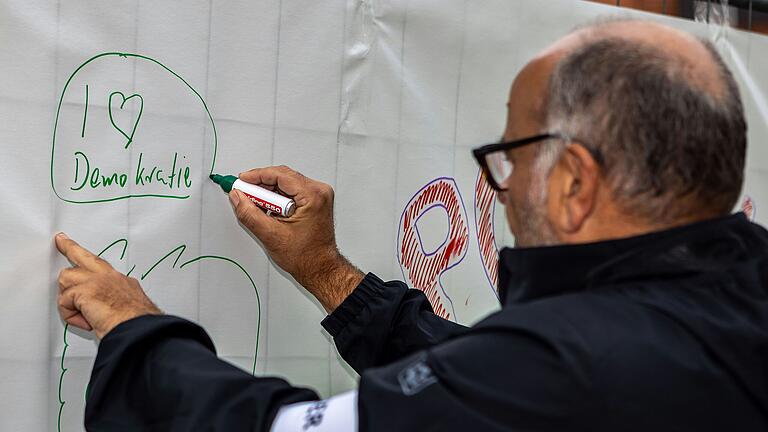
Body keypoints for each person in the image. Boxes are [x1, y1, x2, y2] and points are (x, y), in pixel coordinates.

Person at [54, 19, 768, 431]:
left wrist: (137, 332)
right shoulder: (733, 305)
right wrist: (331, 276)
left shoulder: (566, 365)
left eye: (509, 156)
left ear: (576, 181)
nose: (507, 189)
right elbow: (477, 390)